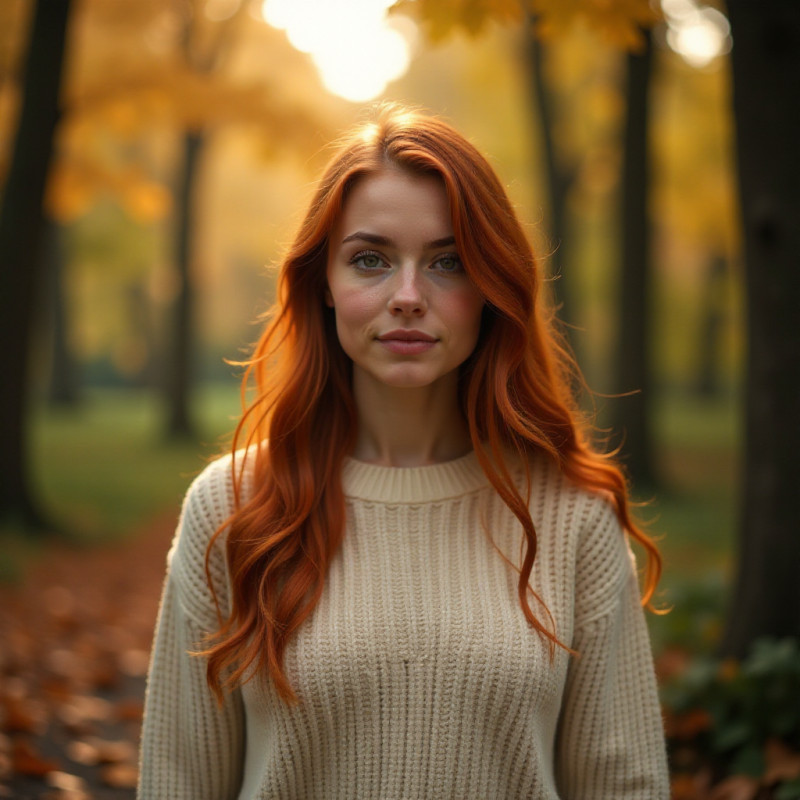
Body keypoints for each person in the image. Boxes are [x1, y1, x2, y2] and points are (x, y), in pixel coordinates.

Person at [137, 105, 670, 799]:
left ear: (491, 287)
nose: (409, 296)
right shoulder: (232, 506)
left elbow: (624, 787)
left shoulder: (572, 519)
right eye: (370, 260)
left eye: (448, 262)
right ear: (323, 284)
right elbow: (177, 782)